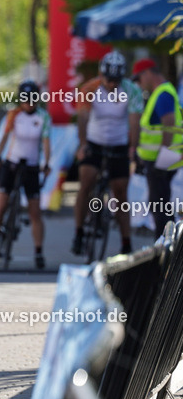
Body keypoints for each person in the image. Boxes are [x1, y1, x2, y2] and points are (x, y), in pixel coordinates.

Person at [72, 51, 143, 256]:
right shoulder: (89, 89)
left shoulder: (132, 91)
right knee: (86, 182)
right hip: (94, 141)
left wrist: (133, 148)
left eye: (116, 81)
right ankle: (78, 232)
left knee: (120, 192)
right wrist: (83, 144)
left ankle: (126, 242)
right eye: (108, 80)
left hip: (118, 143)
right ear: (101, 75)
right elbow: (83, 118)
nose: (112, 84)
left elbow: (134, 121)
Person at [0, 80, 52, 268]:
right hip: (11, 164)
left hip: (31, 166)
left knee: (35, 211)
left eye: (33, 100)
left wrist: (47, 163)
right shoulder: (14, 114)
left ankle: (38, 251)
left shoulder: (44, 117)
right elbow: (4, 137)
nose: (29, 104)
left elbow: (46, 142)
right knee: (1, 204)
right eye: (25, 100)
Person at [132, 57, 182, 235]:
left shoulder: (163, 94)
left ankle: (164, 246)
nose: (139, 84)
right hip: (159, 159)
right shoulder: (162, 92)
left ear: (147, 73)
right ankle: (165, 244)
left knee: (159, 205)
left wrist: (163, 155)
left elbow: (168, 123)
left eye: (139, 78)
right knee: (159, 203)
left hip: (161, 160)